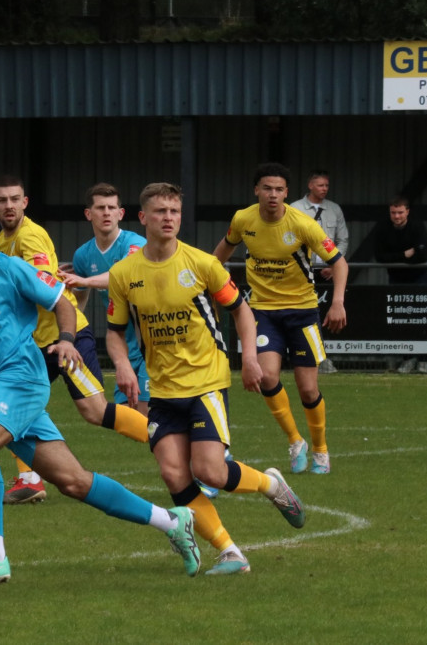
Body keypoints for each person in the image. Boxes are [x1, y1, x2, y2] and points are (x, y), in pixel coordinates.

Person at [0, 197, 200, 583]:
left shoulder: (5, 267)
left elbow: (61, 301)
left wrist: (68, 339)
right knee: (73, 481)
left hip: (23, 376)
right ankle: (172, 520)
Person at [107, 182, 307, 575]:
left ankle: (271, 486)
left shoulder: (202, 264)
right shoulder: (124, 273)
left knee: (211, 471)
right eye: (160, 212)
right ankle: (230, 551)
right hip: (162, 388)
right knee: (173, 473)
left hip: (206, 382)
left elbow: (241, 310)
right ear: (143, 217)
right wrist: (124, 366)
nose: (168, 218)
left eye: (174, 212)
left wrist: (249, 357)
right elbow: (114, 330)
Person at [0, 174, 150, 505]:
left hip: (65, 340)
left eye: (14, 199)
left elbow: (43, 286)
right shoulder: (3, 242)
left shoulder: (31, 237)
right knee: (10, 404)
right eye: (2, 200)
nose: (8, 206)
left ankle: (171, 441)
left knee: (95, 411)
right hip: (36, 343)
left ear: (25, 203)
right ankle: (30, 478)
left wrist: (68, 329)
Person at [213, 163, 348, 475]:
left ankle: (321, 450)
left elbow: (339, 263)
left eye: (278, 189)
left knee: (308, 390)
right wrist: (206, 279)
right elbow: (220, 255)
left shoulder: (302, 224)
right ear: (256, 191)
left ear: (287, 193)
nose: (272, 194)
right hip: (262, 310)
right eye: (266, 188)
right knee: (267, 377)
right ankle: (295, 440)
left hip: (303, 312)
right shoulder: (242, 219)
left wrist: (338, 301)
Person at [68, 183, 149, 415]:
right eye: (100, 207)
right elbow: (79, 302)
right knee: (126, 415)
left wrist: (85, 280)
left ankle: (211, 448)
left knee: (147, 416)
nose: (106, 213)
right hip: (122, 343)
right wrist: (68, 333)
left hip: (151, 342)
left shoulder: (135, 244)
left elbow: (121, 276)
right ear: (88, 214)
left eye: (112, 207)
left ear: (120, 214)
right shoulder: (83, 255)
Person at [290, 169, 349, 374]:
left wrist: (334, 264)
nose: (324, 189)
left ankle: (325, 358)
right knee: (306, 314)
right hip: (301, 273)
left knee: (329, 315)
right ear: (310, 185)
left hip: (329, 272)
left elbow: (343, 240)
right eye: (321, 185)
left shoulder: (334, 209)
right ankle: (309, 357)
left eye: (327, 185)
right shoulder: (295, 208)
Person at [372, 196, 427, 373]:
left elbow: (423, 254)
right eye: (393, 212)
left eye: (400, 212)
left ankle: (423, 360)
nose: (396, 216)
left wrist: (395, 256)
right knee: (399, 319)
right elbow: (380, 256)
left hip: (419, 278)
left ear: (407, 211)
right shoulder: (383, 227)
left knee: (422, 318)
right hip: (396, 280)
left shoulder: (417, 226)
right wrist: (405, 254)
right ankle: (407, 358)